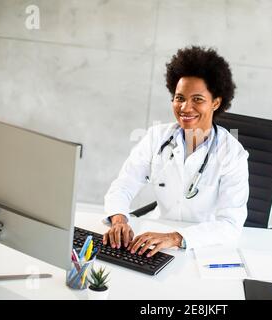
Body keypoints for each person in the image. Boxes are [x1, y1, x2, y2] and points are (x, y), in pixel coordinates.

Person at [102, 46, 249, 256]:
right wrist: (119, 220)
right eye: (180, 98)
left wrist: (177, 238)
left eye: (197, 99)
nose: (185, 108)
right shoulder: (156, 137)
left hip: (202, 244)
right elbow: (124, 185)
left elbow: (230, 225)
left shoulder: (233, 154)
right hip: (154, 240)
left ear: (216, 102)